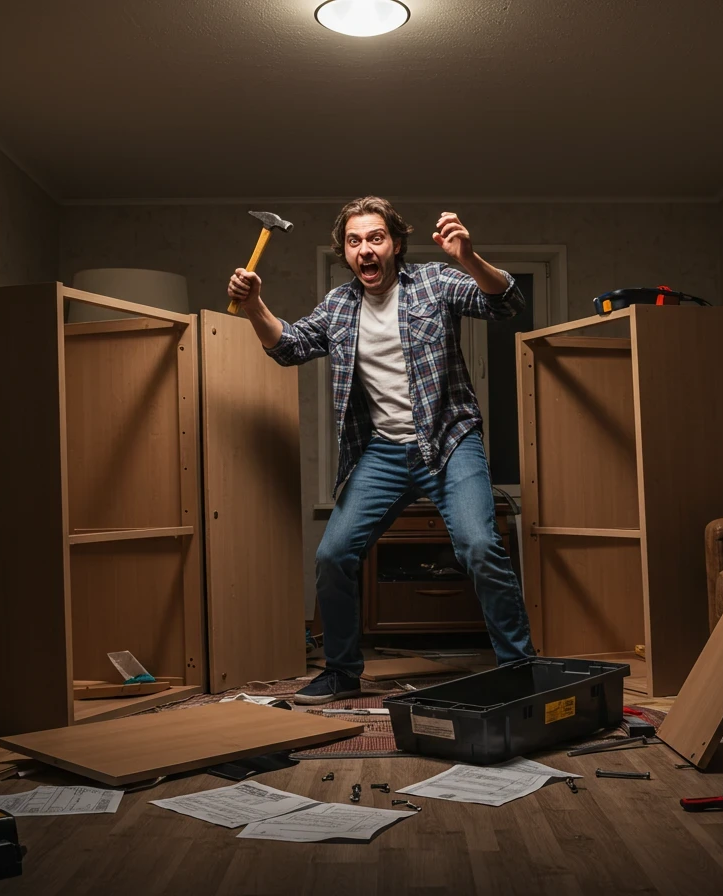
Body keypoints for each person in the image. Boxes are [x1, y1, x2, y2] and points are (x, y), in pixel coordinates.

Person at [226, 196, 535, 704]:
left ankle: (519, 668)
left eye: (375, 238)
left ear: (394, 245)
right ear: (344, 252)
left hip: (449, 440)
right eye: (354, 241)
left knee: (479, 547)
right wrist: (256, 304)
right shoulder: (339, 306)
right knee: (333, 555)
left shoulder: (434, 282)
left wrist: (468, 259)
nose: (365, 249)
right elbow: (290, 347)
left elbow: (506, 302)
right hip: (385, 453)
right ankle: (343, 672)